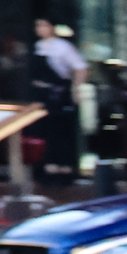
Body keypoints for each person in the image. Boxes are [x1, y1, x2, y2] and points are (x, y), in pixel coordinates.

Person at [30, 19, 88, 181]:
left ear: (53, 28)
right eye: (38, 26)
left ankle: (63, 166)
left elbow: (81, 68)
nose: (40, 29)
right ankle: (46, 164)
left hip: (58, 96)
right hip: (41, 96)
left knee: (59, 130)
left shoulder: (62, 47)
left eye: (44, 25)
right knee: (43, 130)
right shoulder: (37, 46)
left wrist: (76, 89)